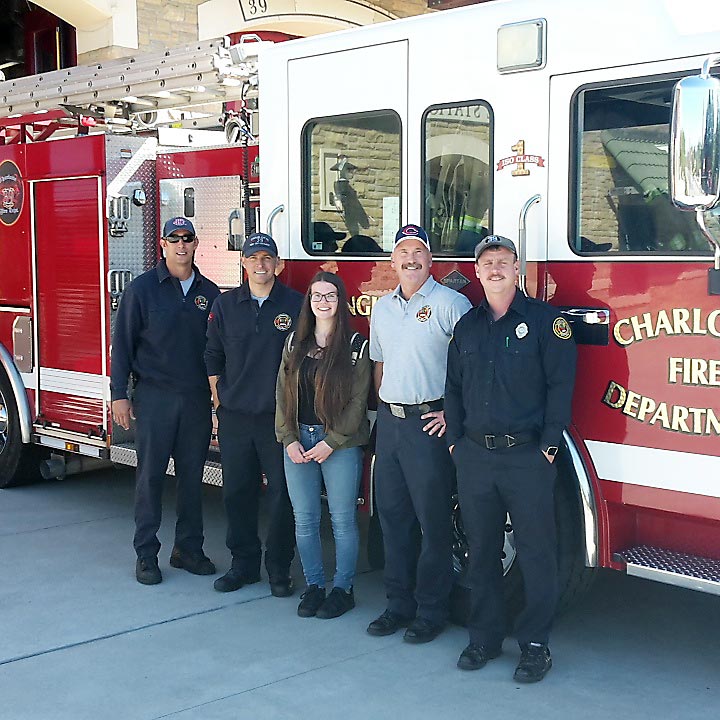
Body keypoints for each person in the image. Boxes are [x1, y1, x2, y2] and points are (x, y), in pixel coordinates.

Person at [445, 235, 577, 683]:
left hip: (527, 458)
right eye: (487, 263)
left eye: (503, 261)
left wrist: (549, 448)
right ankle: (483, 637)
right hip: (475, 457)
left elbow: (561, 389)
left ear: (517, 268)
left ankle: (535, 646)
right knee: (481, 552)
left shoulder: (546, 322)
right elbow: (454, 389)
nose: (495, 269)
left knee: (537, 554)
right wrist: (455, 446)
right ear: (477, 272)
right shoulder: (467, 326)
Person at [366, 223, 472, 643]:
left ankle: (431, 611)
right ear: (393, 261)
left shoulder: (452, 304)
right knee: (392, 519)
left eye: (418, 252)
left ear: (431, 261)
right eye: (403, 252)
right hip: (392, 425)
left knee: (433, 523)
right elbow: (378, 361)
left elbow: (472, 365)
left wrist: (452, 412)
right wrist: (384, 402)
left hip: (430, 425)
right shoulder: (382, 308)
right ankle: (398, 604)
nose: (410, 260)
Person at [110, 217, 220, 585]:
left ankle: (188, 549)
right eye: (174, 239)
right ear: (162, 244)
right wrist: (119, 395)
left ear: (196, 243)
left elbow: (219, 352)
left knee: (192, 478)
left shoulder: (212, 293)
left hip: (195, 399)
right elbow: (122, 345)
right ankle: (146, 554)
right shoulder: (142, 290)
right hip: (154, 397)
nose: (181, 245)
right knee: (151, 478)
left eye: (187, 238)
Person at [205, 232, 303, 597]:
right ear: (243, 263)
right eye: (253, 257)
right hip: (236, 418)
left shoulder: (296, 304)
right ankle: (242, 566)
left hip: (279, 421)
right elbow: (212, 356)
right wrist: (219, 402)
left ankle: (279, 569)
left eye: (267, 258)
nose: (260, 264)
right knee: (237, 492)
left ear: (278, 264)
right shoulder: (225, 305)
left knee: (282, 496)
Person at [275, 272, 371, 619]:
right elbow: (281, 395)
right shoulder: (293, 344)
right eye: (317, 296)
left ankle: (342, 590)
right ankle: (315, 587)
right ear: (309, 302)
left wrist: (331, 442)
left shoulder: (356, 347)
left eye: (330, 296)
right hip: (299, 441)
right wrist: (288, 438)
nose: (323, 302)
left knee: (343, 520)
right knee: (305, 520)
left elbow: (358, 403)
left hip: (339, 446)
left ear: (340, 302)